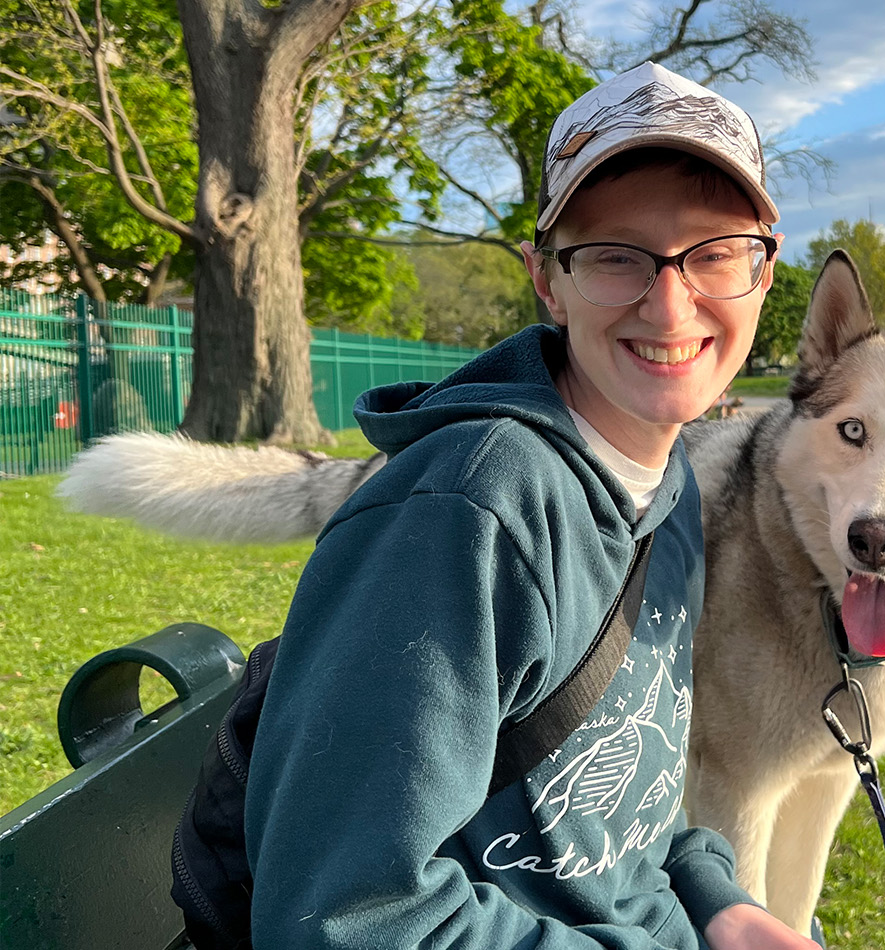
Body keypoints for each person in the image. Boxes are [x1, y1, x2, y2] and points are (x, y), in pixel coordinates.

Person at [243, 62, 817, 950]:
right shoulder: (468, 513)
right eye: (615, 256)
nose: (671, 304)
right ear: (546, 279)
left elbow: (626, 799)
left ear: (764, 270)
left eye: (714, 252)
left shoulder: (668, 488)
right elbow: (348, 918)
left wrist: (718, 902)